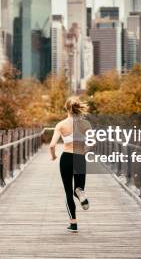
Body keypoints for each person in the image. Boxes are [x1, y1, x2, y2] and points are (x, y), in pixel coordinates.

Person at [49, 96, 91, 233]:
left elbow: (52, 145)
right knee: (78, 189)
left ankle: (73, 224)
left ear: (66, 108)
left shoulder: (61, 125)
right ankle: (81, 194)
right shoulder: (86, 124)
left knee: (68, 191)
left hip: (66, 158)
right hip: (79, 157)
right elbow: (92, 143)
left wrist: (54, 155)